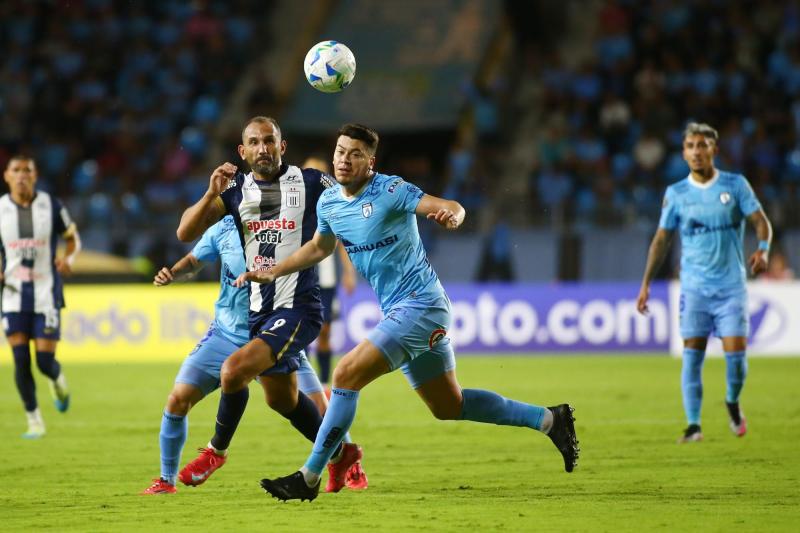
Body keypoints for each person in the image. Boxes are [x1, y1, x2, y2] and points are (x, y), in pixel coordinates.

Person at [247, 124, 579, 502]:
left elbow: (448, 206)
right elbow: (319, 248)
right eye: (340, 151)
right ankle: (550, 420)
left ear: (370, 162)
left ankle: (309, 477)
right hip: (402, 311)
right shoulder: (330, 203)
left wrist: (452, 215)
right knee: (448, 405)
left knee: (345, 374)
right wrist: (275, 270)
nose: (344, 160)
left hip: (422, 305)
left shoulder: (391, 190)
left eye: (355, 154)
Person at [174, 116, 364, 493]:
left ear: (282, 146)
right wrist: (210, 194)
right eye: (254, 143)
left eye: (269, 141)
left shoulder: (312, 181)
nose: (263, 148)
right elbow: (185, 232)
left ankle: (216, 451)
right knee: (282, 400)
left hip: (298, 307)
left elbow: (354, 200)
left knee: (233, 371)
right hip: (260, 312)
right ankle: (342, 454)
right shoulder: (233, 192)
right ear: (242, 152)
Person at [142, 215, 366, 494]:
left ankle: (347, 461)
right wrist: (173, 273)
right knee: (177, 400)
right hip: (225, 334)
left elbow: (318, 246)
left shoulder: (283, 227)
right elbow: (193, 260)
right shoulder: (223, 228)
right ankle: (167, 480)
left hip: (271, 334)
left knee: (316, 405)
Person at [636, 122, 773, 443]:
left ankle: (732, 401)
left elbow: (761, 221)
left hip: (731, 288)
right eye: (690, 146)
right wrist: (645, 283)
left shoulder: (735, 185)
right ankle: (693, 425)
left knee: (736, 358)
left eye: (702, 145)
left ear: (715, 150)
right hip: (694, 288)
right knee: (692, 355)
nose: (696, 151)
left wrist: (763, 249)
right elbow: (661, 240)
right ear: (683, 154)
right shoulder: (676, 194)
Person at [0, 155, 80, 438]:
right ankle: (34, 420)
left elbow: (72, 238)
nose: (21, 175)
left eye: (27, 170)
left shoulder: (51, 205)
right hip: (13, 296)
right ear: (7, 176)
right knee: (21, 359)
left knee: (44, 362)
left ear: (35, 176)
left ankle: (57, 380)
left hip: (46, 293)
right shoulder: (1, 209)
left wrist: (68, 259)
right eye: (16, 170)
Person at [302, 156, 357, 396]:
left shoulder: (333, 205)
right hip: (302, 278)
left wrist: (348, 272)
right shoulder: (296, 204)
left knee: (324, 331)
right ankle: (305, 383)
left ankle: (324, 383)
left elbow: (342, 242)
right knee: (302, 331)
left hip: (326, 279)